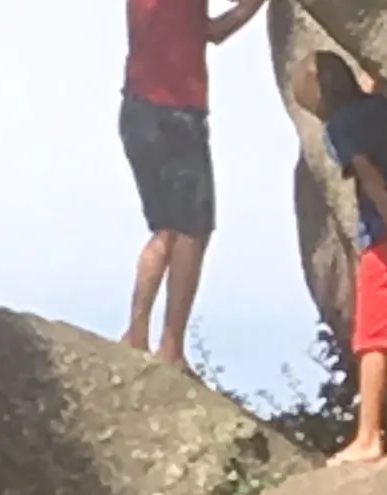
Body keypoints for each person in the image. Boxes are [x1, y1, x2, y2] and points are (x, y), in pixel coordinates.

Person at [292, 51, 387, 465]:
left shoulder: (340, 128)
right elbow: (375, 84)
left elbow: (371, 176)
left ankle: (369, 436)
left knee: (374, 338)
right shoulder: (383, 105)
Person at [119, 0, 267, 374]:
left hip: (136, 111)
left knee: (165, 230)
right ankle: (171, 347)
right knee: (193, 230)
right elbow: (217, 31)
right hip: (177, 116)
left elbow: (207, 31)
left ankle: (136, 334)